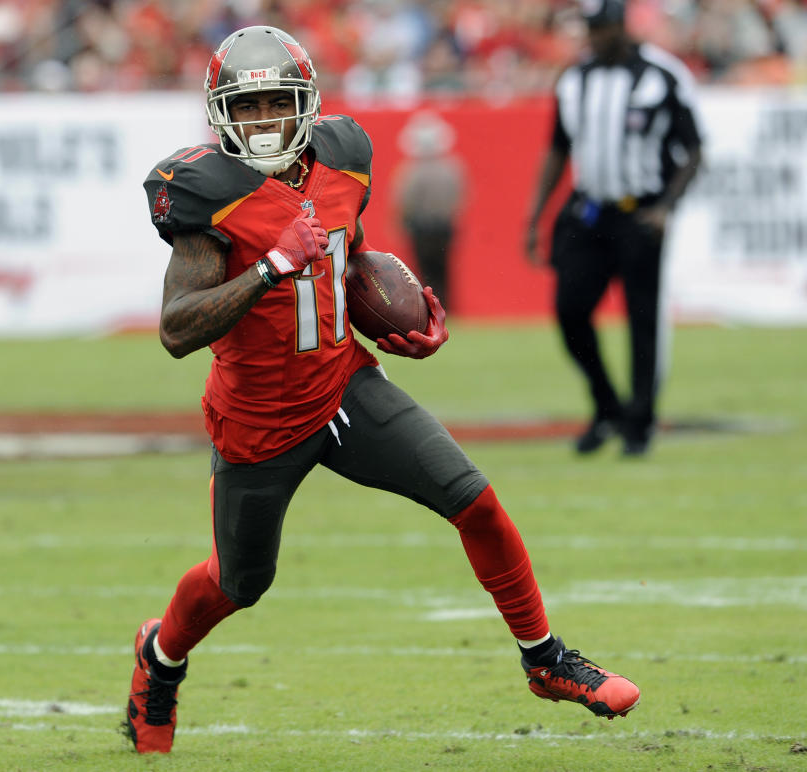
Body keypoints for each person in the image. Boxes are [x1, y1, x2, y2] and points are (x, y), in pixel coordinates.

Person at [124, 25, 640, 755]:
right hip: (260, 420)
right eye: (249, 108)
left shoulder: (344, 155)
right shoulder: (206, 197)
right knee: (238, 583)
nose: (265, 121)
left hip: (344, 388)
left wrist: (398, 320)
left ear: (306, 104)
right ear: (221, 115)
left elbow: (349, 255)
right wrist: (271, 266)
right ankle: (160, 658)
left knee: (476, 501)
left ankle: (546, 660)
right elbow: (177, 328)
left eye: (278, 103)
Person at [524, 0, 703, 456]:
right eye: (589, 29)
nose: (593, 38)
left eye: (600, 28)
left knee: (642, 319)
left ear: (620, 26)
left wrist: (666, 208)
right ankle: (607, 406)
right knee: (570, 311)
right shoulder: (576, 79)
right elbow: (557, 148)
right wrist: (535, 215)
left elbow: (695, 149)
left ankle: (639, 423)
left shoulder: (661, 75)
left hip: (640, 212)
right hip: (589, 212)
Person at [393, 111, 466, 310]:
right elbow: (459, 198)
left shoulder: (411, 171)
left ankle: (429, 310)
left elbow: (404, 201)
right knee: (443, 271)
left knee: (424, 273)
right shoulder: (451, 168)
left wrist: (401, 223)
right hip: (444, 226)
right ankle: (446, 309)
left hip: (421, 228)